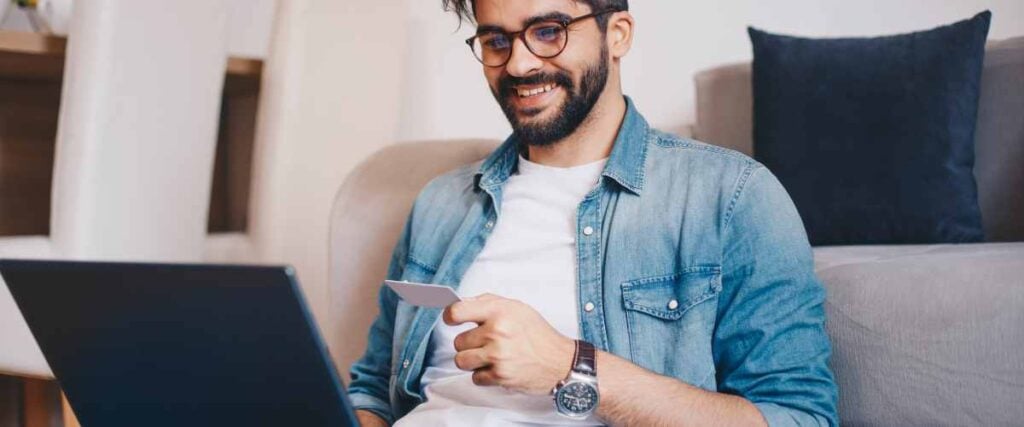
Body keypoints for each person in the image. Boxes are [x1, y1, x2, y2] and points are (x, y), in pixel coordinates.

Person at [348, 1, 838, 425]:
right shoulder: (441, 202)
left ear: (617, 33)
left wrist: (570, 366)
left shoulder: (732, 197)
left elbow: (798, 417)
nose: (518, 64)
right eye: (496, 40)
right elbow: (372, 390)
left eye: (548, 31)